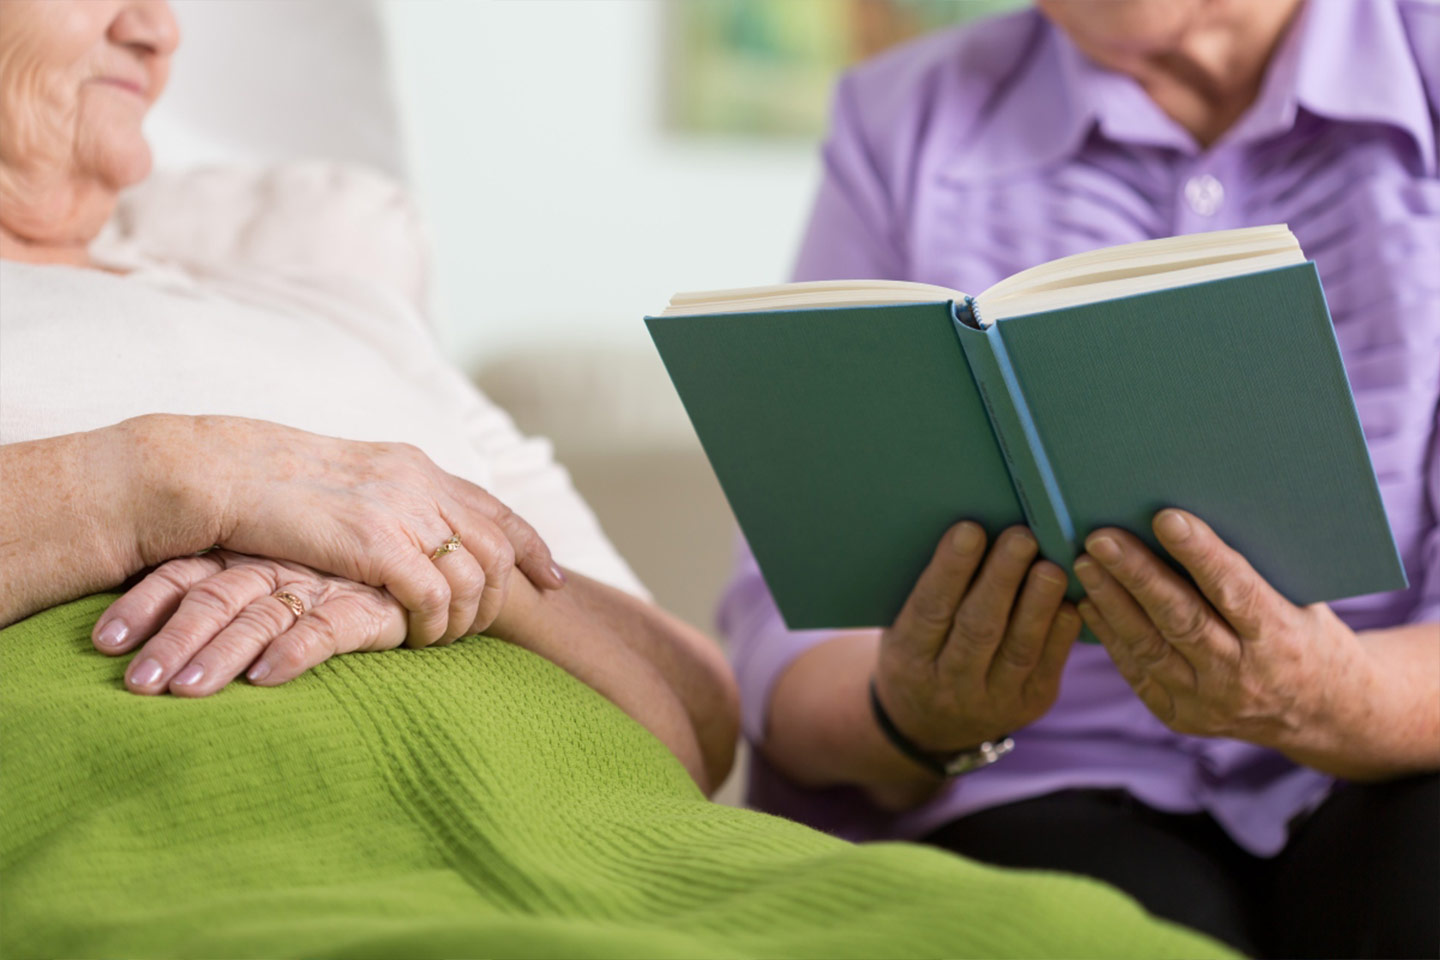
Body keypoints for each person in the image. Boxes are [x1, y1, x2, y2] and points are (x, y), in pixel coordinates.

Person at [718, 0, 1440, 956]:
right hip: (1040, 787)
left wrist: (1338, 698)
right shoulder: (904, 117)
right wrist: (906, 711)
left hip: (1401, 757)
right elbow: (788, 624)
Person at [0, 0, 738, 795]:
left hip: (607, 834)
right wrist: (175, 478)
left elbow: (703, 719)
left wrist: (443, 577)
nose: (157, 30)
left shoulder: (345, 309)